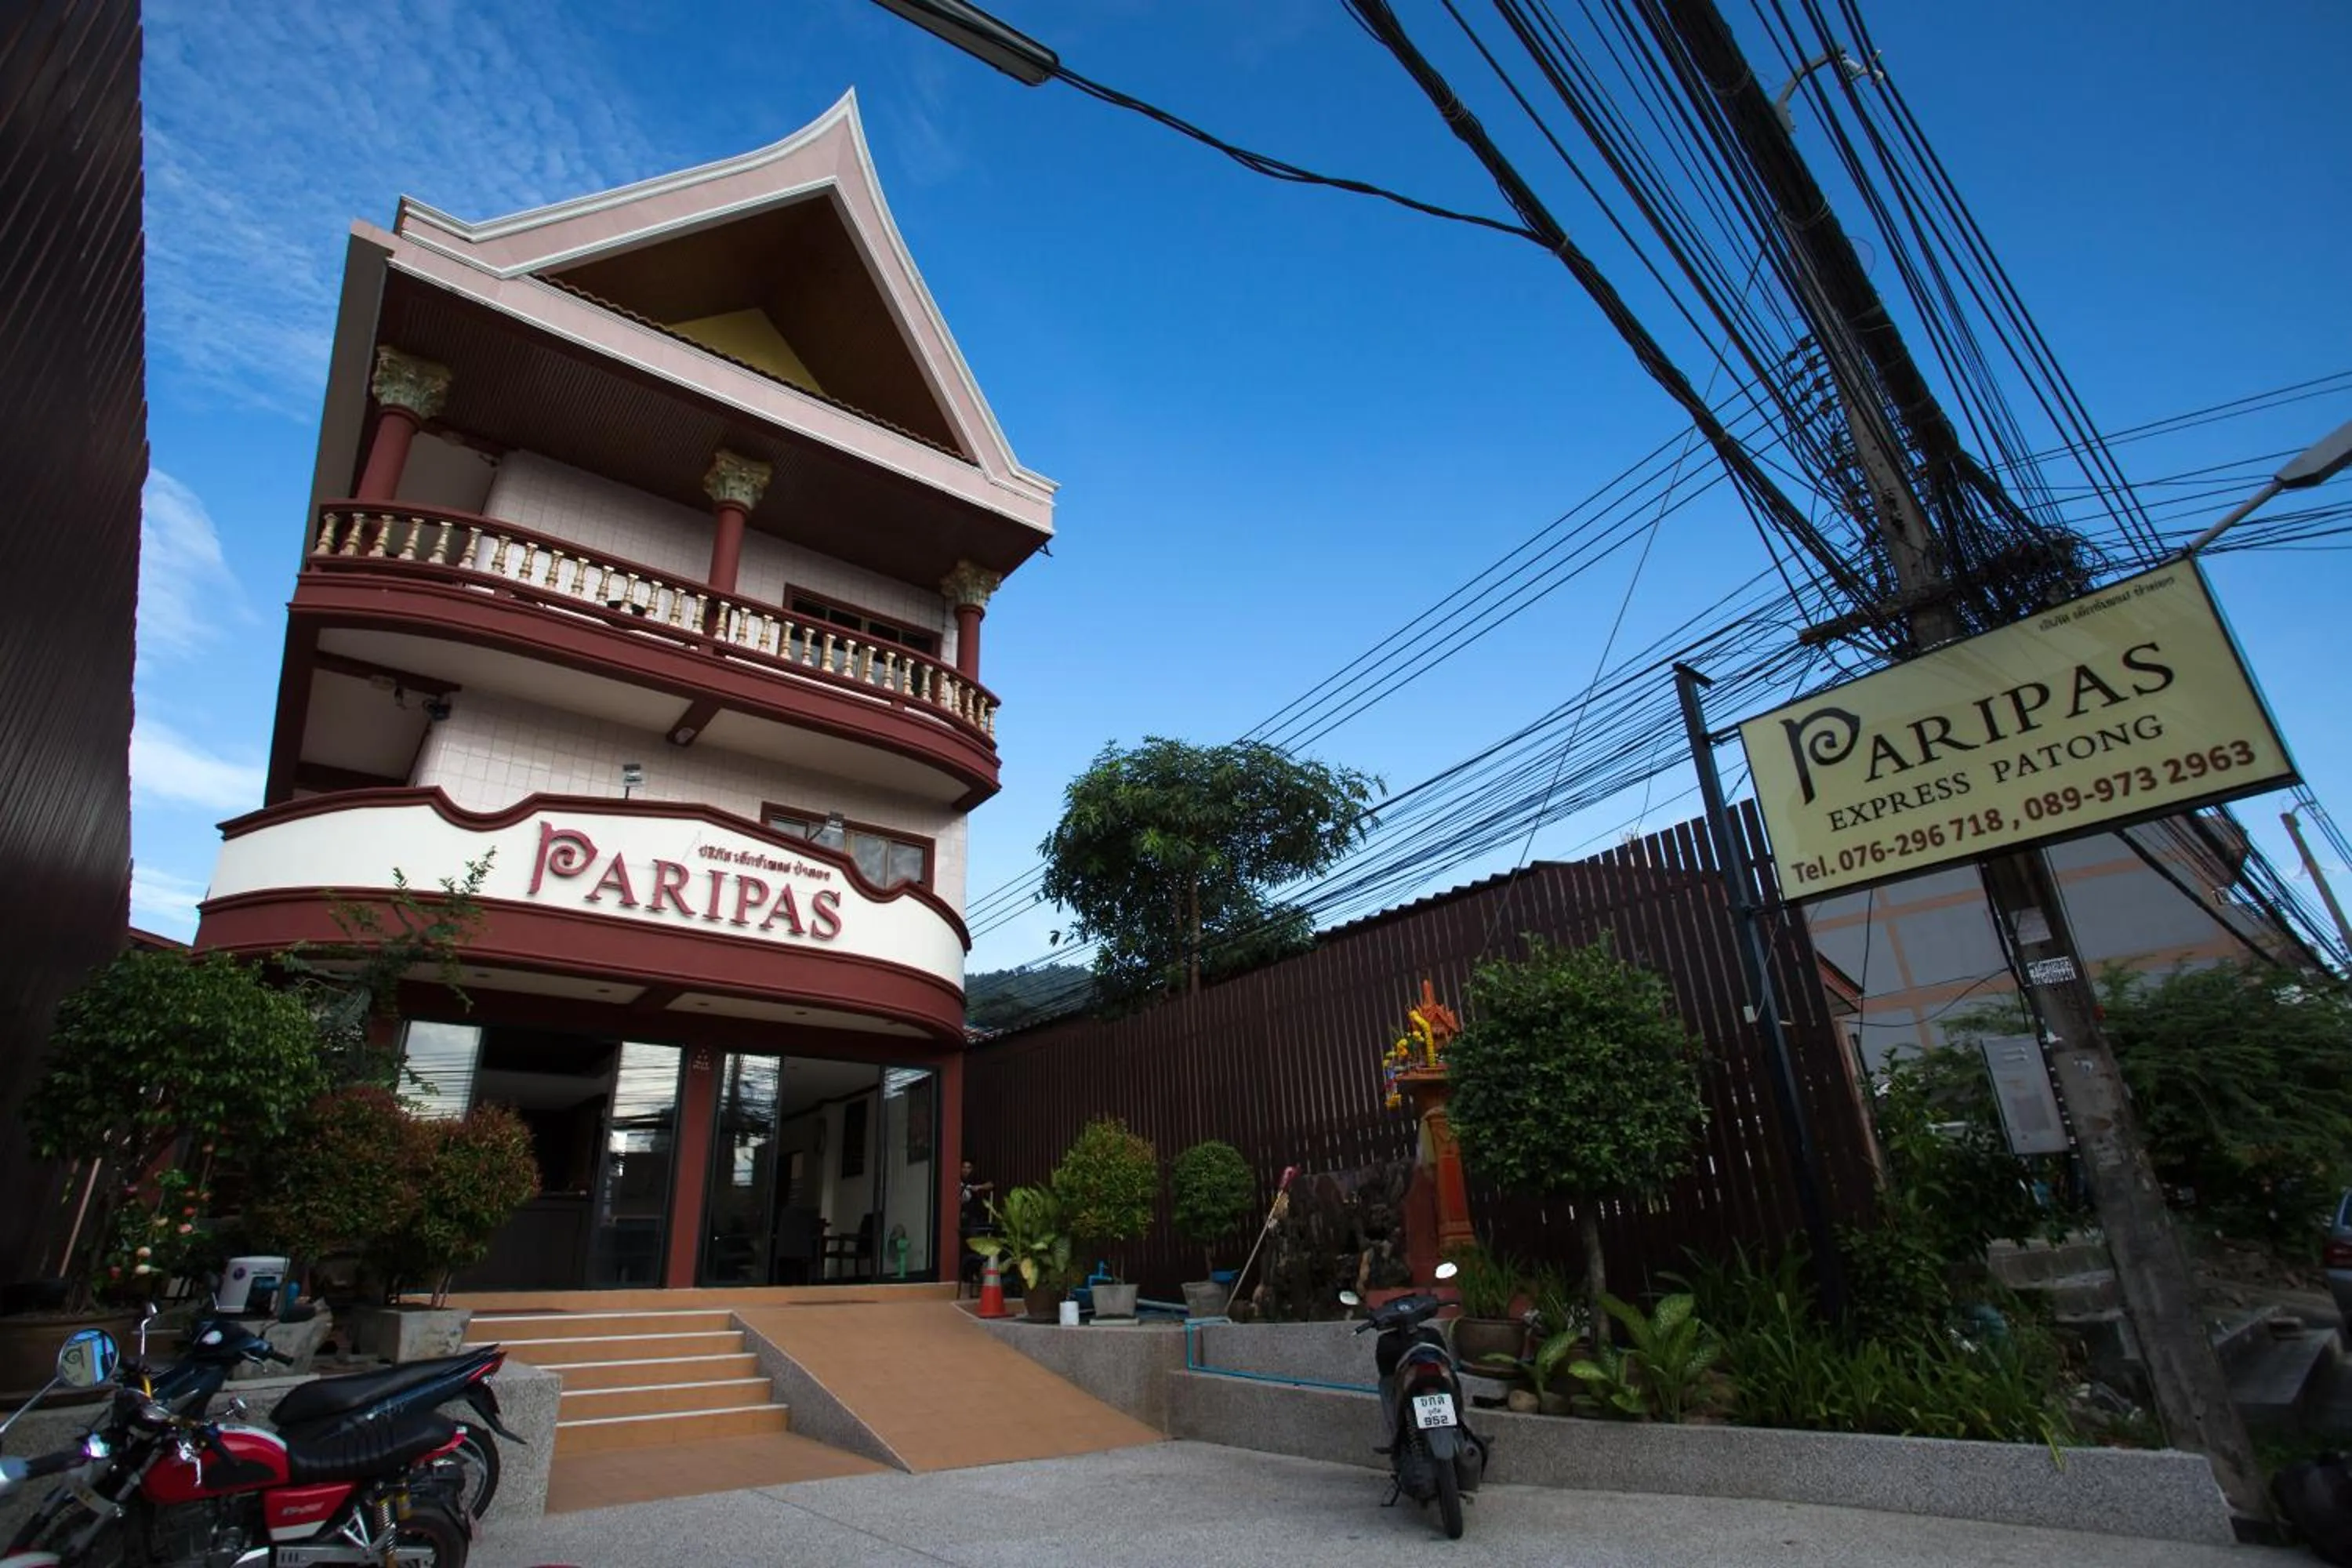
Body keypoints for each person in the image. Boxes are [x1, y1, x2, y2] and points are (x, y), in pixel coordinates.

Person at [958, 1160, 996, 1294]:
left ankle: (975, 1276)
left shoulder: (975, 1179)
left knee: (975, 1247)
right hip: (961, 1219)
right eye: (964, 1167)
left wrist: (978, 1187)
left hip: (974, 1219)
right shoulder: (956, 1179)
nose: (966, 1170)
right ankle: (968, 1276)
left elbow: (991, 1184)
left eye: (969, 1167)